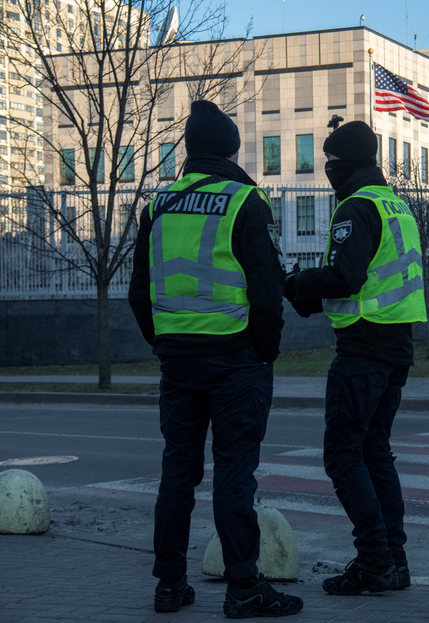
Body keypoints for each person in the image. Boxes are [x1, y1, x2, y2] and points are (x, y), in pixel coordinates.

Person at [128, 100, 302, 619]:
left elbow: (140, 292)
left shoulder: (158, 205)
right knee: (233, 477)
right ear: (230, 149)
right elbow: (267, 293)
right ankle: (244, 589)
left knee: (177, 474)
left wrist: (164, 342)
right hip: (234, 362)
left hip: (178, 363)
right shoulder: (244, 200)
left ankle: (169, 585)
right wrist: (263, 353)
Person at [283, 120, 427, 595]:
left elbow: (347, 277)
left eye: (329, 165)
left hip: (363, 350)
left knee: (344, 456)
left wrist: (299, 284)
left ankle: (374, 560)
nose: (327, 172)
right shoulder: (395, 205)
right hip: (396, 349)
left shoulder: (356, 206)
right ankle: (394, 561)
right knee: (374, 452)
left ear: (341, 165)